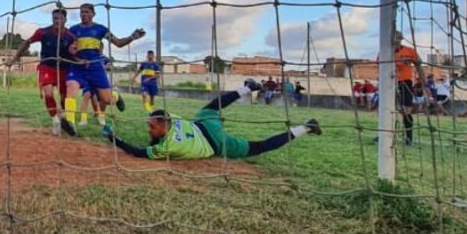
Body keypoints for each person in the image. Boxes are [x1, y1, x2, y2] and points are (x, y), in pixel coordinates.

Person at [103, 79, 321, 159]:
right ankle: (248, 87)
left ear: (163, 124)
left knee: (260, 147)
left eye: (151, 126)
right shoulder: (173, 118)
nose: (148, 129)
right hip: (203, 124)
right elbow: (156, 127)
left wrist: (114, 139)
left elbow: (139, 152)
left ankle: (307, 127)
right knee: (213, 106)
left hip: (215, 144)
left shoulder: (168, 147)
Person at [61, 3, 146, 136]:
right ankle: (70, 124)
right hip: (77, 67)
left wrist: (132, 37)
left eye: (87, 12)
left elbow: (118, 43)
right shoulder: (73, 30)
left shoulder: (101, 29)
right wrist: (73, 54)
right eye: (82, 12)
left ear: (93, 14)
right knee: (71, 87)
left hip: (95, 68)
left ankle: (116, 96)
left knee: (106, 100)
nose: (84, 14)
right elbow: (66, 49)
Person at [8, 7, 77, 134]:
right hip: (46, 67)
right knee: (48, 94)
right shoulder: (43, 32)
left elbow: (74, 54)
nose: (57, 21)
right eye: (55, 18)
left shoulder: (71, 36)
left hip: (64, 69)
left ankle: (65, 118)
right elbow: (27, 42)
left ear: (65, 20)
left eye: (60, 18)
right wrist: (14, 58)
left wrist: (80, 59)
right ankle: (55, 120)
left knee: (64, 98)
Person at [389, 31, 423, 146]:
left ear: (401, 40)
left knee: (406, 110)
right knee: (387, 109)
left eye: (398, 39)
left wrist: (424, 83)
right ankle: (385, 135)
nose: (396, 42)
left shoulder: (409, 51)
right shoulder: (384, 52)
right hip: (389, 83)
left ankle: (409, 138)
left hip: (405, 82)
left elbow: (419, 64)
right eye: (394, 39)